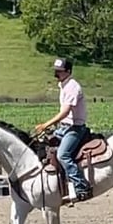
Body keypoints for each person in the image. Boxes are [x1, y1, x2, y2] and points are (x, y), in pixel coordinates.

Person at [34, 58, 93, 202]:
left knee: (63, 155)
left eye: (59, 71)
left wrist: (46, 125)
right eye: (56, 70)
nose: (56, 74)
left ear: (68, 71)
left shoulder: (73, 87)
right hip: (64, 127)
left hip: (75, 128)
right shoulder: (63, 85)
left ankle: (81, 187)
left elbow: (66, 112)